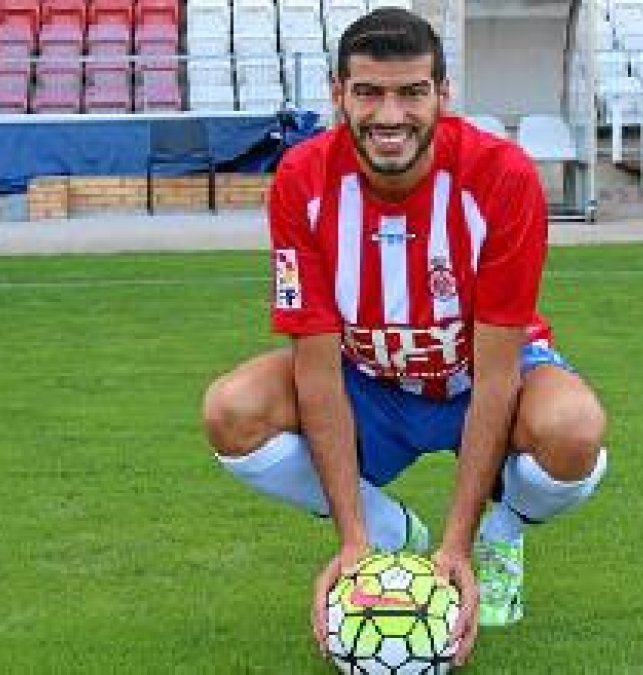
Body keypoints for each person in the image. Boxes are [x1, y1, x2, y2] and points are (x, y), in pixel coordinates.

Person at [202, 7, 607, 667]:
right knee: (232, 409)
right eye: (368, 92)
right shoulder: (302, 181)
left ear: (443, 96)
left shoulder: (502, 177)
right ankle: (391, 535)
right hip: (369, 381)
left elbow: (500, 373)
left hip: (480, 375)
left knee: (574, 428)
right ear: (338, 95)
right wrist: (354, 539)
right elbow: (318, 372)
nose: (390, 115)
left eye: (411, 92)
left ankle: (502, 536)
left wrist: (458, 545)